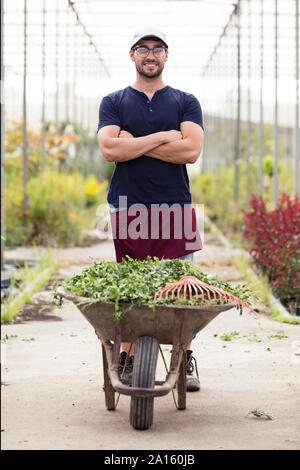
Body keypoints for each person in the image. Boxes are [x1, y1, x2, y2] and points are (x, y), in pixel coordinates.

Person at [97, 27, 204, 392]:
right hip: (128, 208)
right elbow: (110, 150)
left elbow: (190, 151)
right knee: (131, 292)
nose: (150, 55)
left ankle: (183, 361)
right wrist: (162, 137)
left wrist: (134, 143)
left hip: (175, 207)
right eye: (143, 49)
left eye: (158, 49)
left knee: (181, 292)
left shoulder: (185, 101)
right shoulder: (113, 102)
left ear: (166, 56)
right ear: (132, 55)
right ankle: (125, 359)